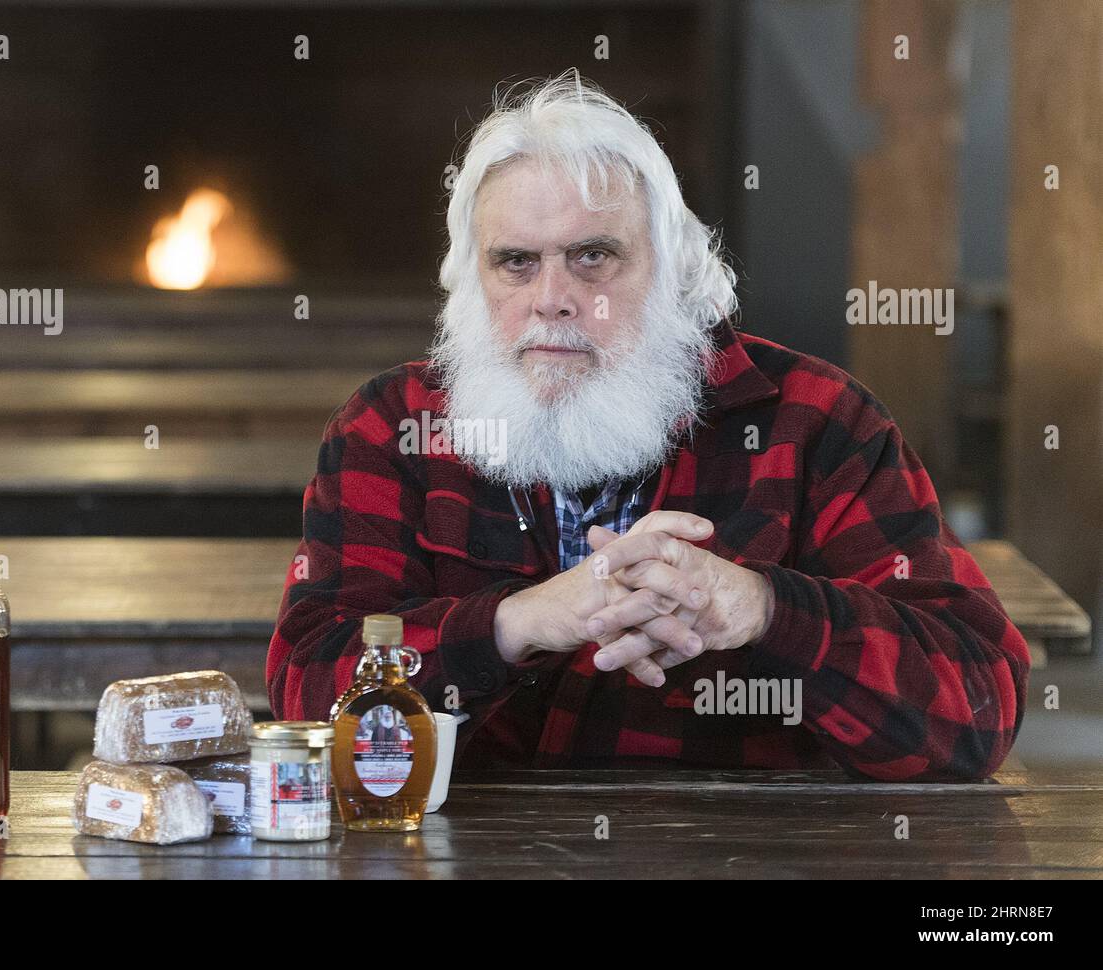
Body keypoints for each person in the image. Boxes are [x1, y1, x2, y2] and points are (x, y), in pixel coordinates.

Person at [267, 69, 1029, 781]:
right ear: (474, 280)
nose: (554, 298)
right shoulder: (392, 428)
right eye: (516, 263)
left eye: (593, 256)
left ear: (673, 267)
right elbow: (308, 694)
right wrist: (514, 623)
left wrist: (765, 608)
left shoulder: (818, 421)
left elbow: (977, 707)